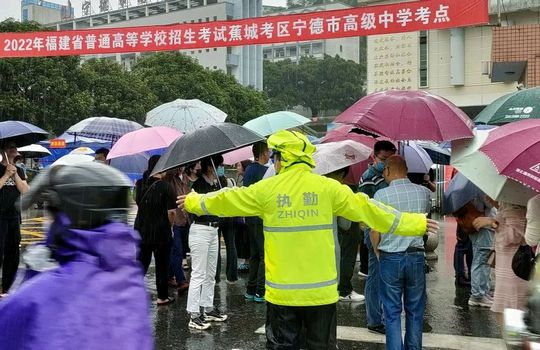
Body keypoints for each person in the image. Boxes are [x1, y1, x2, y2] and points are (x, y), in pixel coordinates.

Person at [177, 130, 439, 349]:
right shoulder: (328, 188)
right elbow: (369, 209)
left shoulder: (267, 190)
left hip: (283, 297)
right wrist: (413, 223)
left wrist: (192, 201)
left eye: (275, 158)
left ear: (280, 159)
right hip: (321, 296)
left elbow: (226, 200)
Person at [0, 162, 153, 349]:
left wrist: (32, 274)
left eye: (51, 212)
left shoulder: (35, 295)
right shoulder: (130, 281)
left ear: (65, 214)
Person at [369, 156, 431, 350]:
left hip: (390, 257)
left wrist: (377, 250)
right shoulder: (424, 193)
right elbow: (425, 224)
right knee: (415, 310)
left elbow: (374, 230)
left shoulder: (381, 195)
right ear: (405, 170)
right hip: (416, 257)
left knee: (392, 311)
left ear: (387, 170)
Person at [186, 155, 228, 330]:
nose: (222, 169)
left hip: (214, 230)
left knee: (211, 273)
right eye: (220, 166)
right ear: (210, 167)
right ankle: (194, 314)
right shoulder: (198, 186)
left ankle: (208, 309)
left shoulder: (218, 183)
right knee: (199, 273)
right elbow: (197, 208)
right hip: (200, 230)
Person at [359, 140, 396, 334]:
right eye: (383, 158)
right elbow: (364, 207)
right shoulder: (368, 177)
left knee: (384, 276)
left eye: (390, 158)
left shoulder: (388, 176)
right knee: (375, 276)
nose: (386, 162)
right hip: (374, 232)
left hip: (388, 230)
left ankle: (381, 315)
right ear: (375, 156)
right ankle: (374, 320)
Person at [473, 202, 528, 323]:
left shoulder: (514, 204)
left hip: (513, 267)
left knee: (511, 311)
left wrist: (492, 223)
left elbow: (514, 236)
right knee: (504, 311)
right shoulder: (506, 204)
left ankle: (514, 341)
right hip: (506, 266)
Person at [134, 155, 177, 306]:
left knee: (141, 262)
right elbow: (171, 213)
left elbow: (138, 201)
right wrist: (170, 226)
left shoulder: (139, 184)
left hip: (141, 230)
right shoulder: (167, 187)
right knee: (162, 265)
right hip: (161, 232)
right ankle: (162, 297)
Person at [325, 166, 365, 302]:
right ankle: (344, 290)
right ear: (341, 174)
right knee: (345, 257)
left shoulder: (315, 187)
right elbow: (345, 224)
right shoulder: (342, 191)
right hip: (340, 236)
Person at [454, 198, 495, 308]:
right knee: (480, 260)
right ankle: (477, 296)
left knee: (484, 260)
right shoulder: (479, 188)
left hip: (481, 226)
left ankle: (483, 293)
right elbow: (490, 204)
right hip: (483, 227)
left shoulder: (470, 190)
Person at [0, 142, 29, 297]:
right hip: (0, 217)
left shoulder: (19, 169)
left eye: (15, 147)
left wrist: (14, 173)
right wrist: (5, 175)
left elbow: (25, 190)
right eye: (10, 147)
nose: (14, 149)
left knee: (13, 253)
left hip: (14, 216)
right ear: (3, 149)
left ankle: (7, 288)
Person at [243, 141, 270, 303]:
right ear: (262, 153)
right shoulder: (264, 172)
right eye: (268, 151)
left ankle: (250, 290)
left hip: (249, 217)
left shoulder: (249, 170)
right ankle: (261, 291)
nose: (269, 154)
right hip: (260, 218)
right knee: (263, 255)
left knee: (254, 255)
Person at [164, 167, 190, 295]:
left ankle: (169, 276)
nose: (181, 168)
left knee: (177, 250)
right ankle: (181, 281)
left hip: (185, 219)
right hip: (174, 220)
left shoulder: (185, 178)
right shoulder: (169, 178)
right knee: (177, 250)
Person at [235, 160, 252, 273]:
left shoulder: (246, 179)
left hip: (246, 215)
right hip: (241, 214)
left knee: (247, 239)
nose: (237, 167)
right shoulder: (239, 178)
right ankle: (247, 261)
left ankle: (248, 261)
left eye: (239, 165)